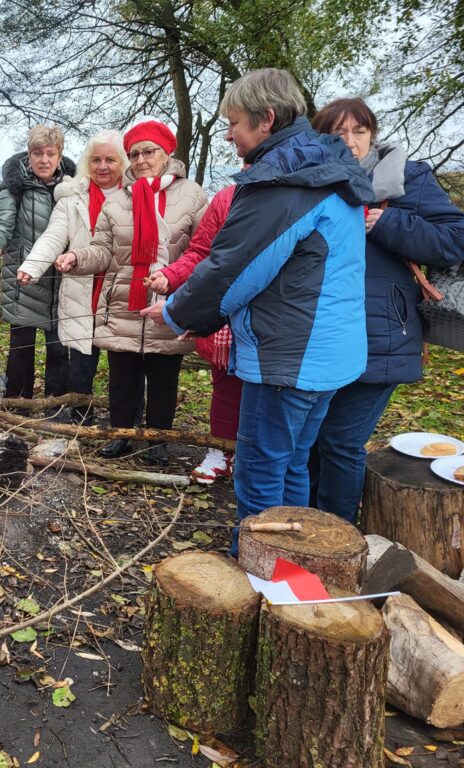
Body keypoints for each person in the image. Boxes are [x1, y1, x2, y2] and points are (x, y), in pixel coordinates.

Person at [144, 68, 373, 545]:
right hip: (331, 353)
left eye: (234, 123)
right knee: (292, 462)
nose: (228, 133)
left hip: (288, 358)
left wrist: (174, 313)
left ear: (266, 120)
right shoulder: (328, 172)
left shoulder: (285, 183)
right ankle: (292, 559)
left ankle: (260, 569)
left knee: (261, 468)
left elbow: (234, 270)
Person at [308, 98, 464, 521]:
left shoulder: (406, 178)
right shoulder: (309, 183)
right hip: (321, 333)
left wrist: (387, 224)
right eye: (338, 133)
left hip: (384, 334)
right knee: (315, 437)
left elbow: (455, 239)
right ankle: (308, 526)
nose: (351, 141)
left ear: (373, 135)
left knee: (341, 440)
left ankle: (337, 532)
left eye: (359, 131)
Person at [56, 120, 206, 463]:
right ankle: (121, 434)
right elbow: (103, 251)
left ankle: (158, 441)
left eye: (148, 152)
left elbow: (203, 249)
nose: (140, 160)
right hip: (123, 301)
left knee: (163, 379)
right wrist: (75, 257)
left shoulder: (192, 194)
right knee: (122, 378)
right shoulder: (119, 200)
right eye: (134, 154)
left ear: (166, 153)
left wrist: (175, 280)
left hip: (168, 301)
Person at [17, 130, 127, 424]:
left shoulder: (135, 195)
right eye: (96, 160)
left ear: (123, 163)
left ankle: (126, 424)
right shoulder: (72, 197)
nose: (102, 166)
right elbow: (53, 236)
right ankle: (82, 420)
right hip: (81, 291)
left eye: (110, 160)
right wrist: (32, 266)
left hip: (122, 293)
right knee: (81, 365)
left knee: (125, 366)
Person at [145, 180, 242, 483]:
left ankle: (250, 456)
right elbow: (202, 251)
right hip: (223, 316)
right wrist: (171, 275)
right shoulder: (227, 198)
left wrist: (182, 311)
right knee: (225, 387)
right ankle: (220, 450)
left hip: (270, 318)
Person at [0, 126, 76, 401]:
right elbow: (1, 222)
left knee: (59, 349)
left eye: (50, 153)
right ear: (29, 154)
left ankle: (55, 407)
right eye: (37, 153)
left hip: (61, 279)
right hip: (23, 278)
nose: (44, 160)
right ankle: (17, 408)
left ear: (59, 156)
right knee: (21, 348)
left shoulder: (72, 189)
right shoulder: (14, 187)